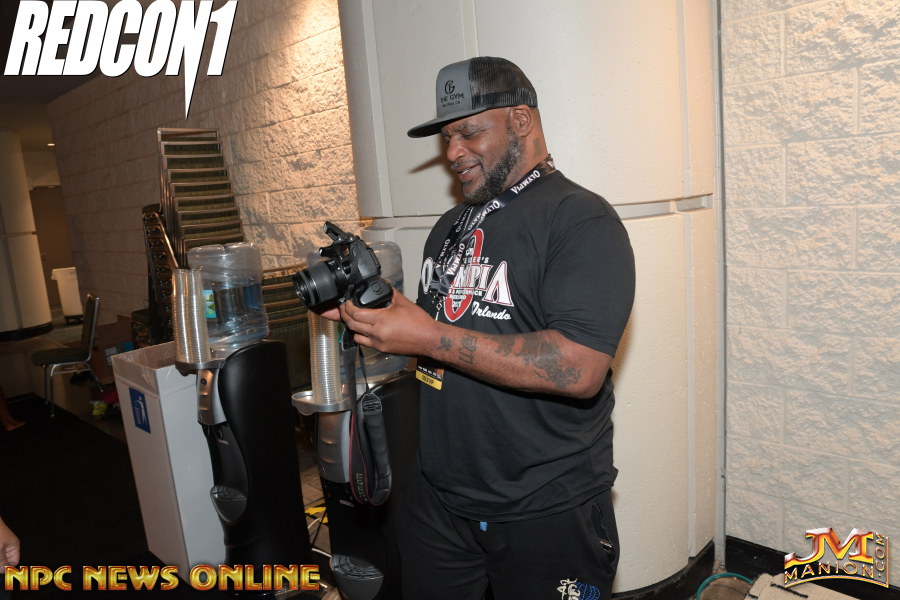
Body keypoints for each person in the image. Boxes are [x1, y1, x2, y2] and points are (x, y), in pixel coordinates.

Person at [324, 56, 635, 599]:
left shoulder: (581, 219)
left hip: (545, 504)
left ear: (521, 120)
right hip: (440, 500)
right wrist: (378, 319)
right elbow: (442, 339)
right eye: (447, 137)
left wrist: (427, 336)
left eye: (469, 132)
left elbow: (579, 367)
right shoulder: (451, 226)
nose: (452, 153)